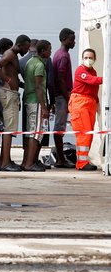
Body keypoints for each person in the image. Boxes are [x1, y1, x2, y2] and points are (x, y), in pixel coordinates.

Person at [0, 35, 30, 171]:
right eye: (26, 47)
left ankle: (4, 161)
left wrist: (20, 84)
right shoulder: (10, 54)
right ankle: (5, 163)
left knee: (9, 129)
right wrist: (7, 80)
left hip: (10, 93)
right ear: (19, 45)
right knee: (9, 130)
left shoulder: (13, 55)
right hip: (8, 94)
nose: (27, 50)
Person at [68, 48, 103, 171]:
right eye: (86, 57)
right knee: (84, 133)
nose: (88, 60)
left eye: (91, 57)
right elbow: (92, 81)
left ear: (95, 59)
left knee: (89, 133)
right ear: (82, 59)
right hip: (80, 102)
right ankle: (81, 163)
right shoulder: (80, 71)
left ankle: (84, 159)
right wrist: (105, 79)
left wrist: (97, 102)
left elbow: (93, 89)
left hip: (90, 103)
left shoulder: (93, 71)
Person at [21, 39, 52, 172]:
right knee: (36, 133)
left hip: (29, 100)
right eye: (49, 49)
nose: (51, 51)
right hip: (37, 102)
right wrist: (44, 107)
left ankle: (25, 162)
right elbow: (39, 87)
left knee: (30, 132)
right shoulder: (39, 65)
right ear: (43, 50)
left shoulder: (29, 62)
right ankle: (29, 163)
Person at [52, 28, 76, 168]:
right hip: (62, 95)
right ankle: (61, 160)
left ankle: (61, 159)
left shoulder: (60, 54)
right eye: (72, 39)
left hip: (62, 94)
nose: (74, 42)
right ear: (64, 39)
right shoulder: (63, 56)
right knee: (59, 127)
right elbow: (60, 79)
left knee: (59, 126)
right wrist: (68, 97)